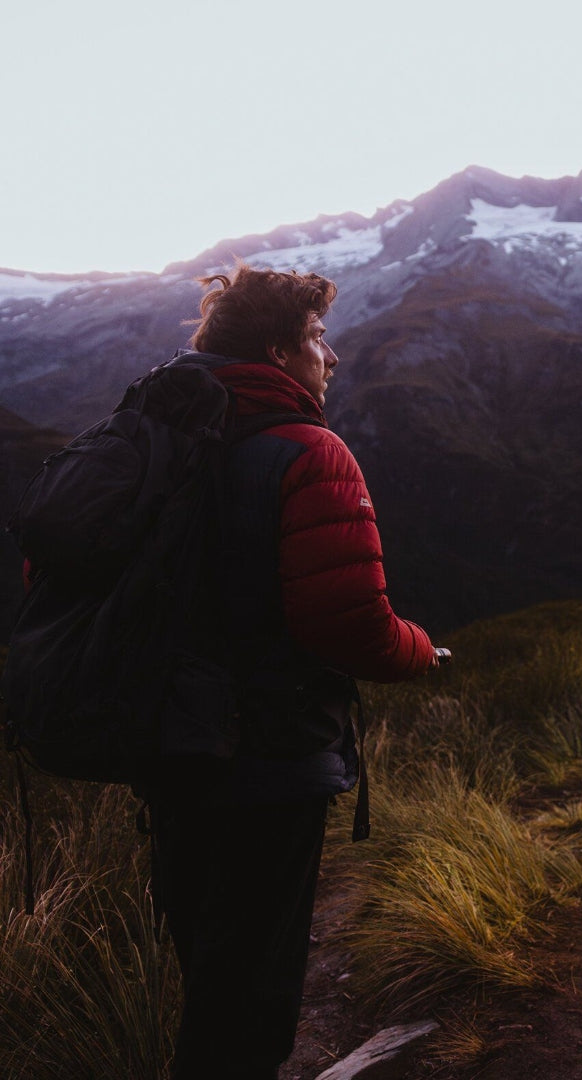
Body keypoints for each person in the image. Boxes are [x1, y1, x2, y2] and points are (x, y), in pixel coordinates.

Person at [151, 262, 437, 1079]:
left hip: (159, 747)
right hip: (265, 760)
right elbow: (350, 627)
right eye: (317, 338)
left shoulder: (155, 440)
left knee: (206, 964)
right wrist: (421, 650)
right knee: (252, 991)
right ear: (279, 353)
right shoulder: (310, 453)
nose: (333, 356)